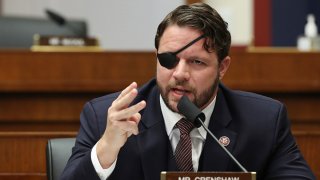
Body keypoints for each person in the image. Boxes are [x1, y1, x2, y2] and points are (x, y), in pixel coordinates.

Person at [61, 3, 315, 180]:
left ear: (222, 67)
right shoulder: (107, 116)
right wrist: (106, 147)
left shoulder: (263, 121)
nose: (179, 73)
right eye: (169, 59)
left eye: (197, 62)